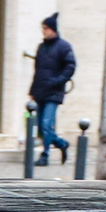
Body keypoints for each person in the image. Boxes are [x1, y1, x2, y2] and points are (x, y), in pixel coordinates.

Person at [29, 15, 76, 167]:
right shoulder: (41, 47)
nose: (43, 31)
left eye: (45, 28)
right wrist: (32, 90)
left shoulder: (64, 47)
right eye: (42, 28)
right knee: (42, 129)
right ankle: (61, 144)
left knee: (46, 124)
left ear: (53, 29)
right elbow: (37, 71)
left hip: (54, 92)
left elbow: (70, 67)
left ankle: (45, 155)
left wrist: (57, 81)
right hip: (41, 91)